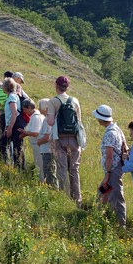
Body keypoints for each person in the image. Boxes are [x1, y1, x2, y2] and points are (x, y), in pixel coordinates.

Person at [46, 76, 82, 206]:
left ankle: (64, 198)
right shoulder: (75, 101)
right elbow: (79, 121)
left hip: (59, 138)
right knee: (74, 169)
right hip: (74, 138)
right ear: (68, 87)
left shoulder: (53, 101)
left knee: (62, 168)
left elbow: (50, 122)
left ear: (56, 86)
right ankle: (77, 200)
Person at [92, 105, 127, 227]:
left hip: (112, 170)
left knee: (116, 197)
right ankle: (98, 217)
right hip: (115, 169)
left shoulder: (109, 134)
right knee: (102, 193)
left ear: (101, 119)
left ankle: (120, 226)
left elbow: (109, 156)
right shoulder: (117, 129)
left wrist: (108, 173)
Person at [0, 78, 25, 169]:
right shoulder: (12, 96)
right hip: (12, 124)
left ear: (5, 87)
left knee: (16, 147)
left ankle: (18, 168)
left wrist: (9, 128)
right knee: (4, 143)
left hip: (15, 125)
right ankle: (9, 164)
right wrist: (7, 127)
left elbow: (14, 113)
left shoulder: (12, 97)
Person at [18, 99, 45, 181]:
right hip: (38, 145)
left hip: (38, 145)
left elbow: (36, 133)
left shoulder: (36, 117)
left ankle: (42, 182)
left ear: (29, 107)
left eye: (25, 109)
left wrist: (25, 132)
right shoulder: (36, 116)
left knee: (40, 165)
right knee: (39, 165)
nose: (24, 111)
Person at [37, 98, 57, 188]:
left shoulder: (47, 120)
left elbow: (47, 137)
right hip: (49, 149)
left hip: (47, 150)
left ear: (45, 108)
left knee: (49, 171)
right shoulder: (49, 118)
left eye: (40, 106)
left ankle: (52, 190)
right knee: (50, 171)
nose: (39, 109)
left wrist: (39, 142)